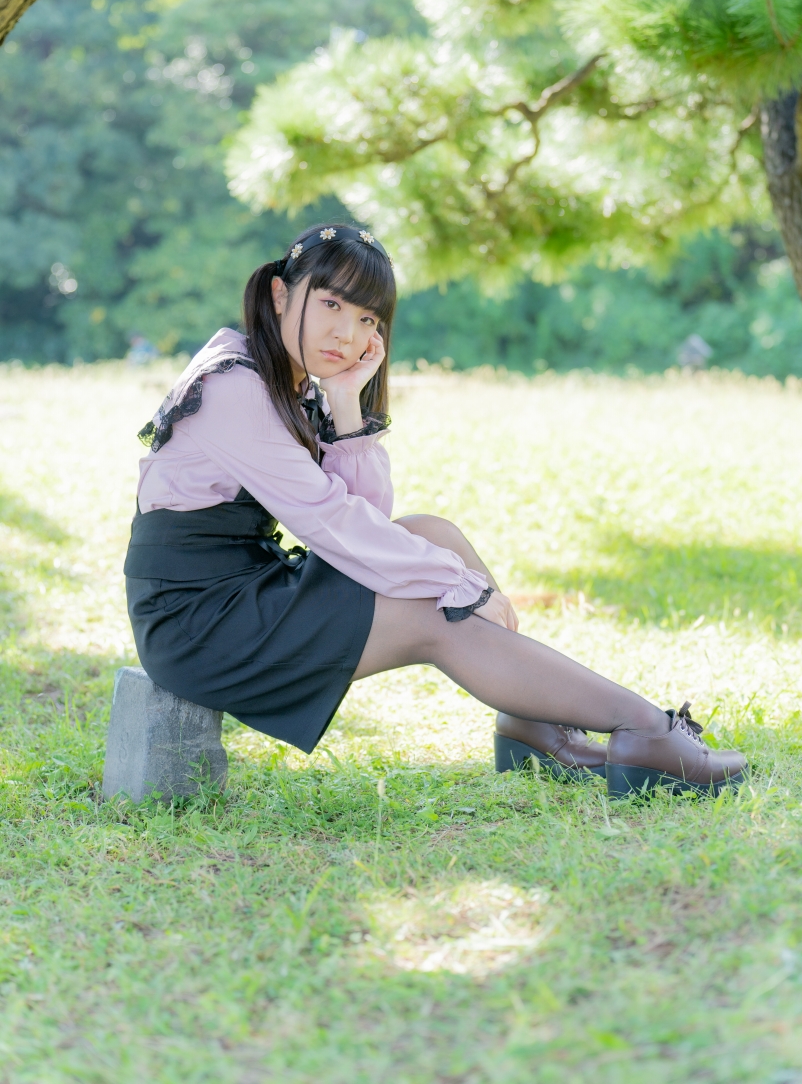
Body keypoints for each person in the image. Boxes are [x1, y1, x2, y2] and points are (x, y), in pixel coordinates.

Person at [124, 223, 747, 798]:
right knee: (435, 612)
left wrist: (345, 401)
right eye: (331, 304)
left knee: (431, 534)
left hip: (243, 593)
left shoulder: (287, 379)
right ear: (281, 295)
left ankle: (533, 726)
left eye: (366, 318)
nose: (347, 334)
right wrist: (459, 586)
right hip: (199, 626)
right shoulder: (235, 386)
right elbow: (333, 524)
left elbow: (365, 518)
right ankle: (646, 729)